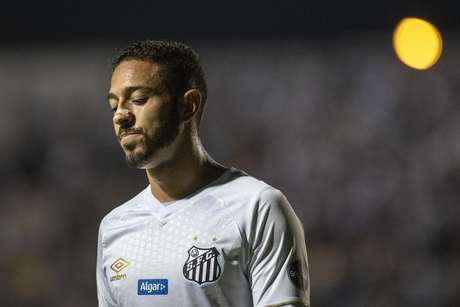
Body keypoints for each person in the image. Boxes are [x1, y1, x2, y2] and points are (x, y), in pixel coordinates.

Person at [97, 40, 310, 307]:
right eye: (114, 106)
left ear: (189, 106)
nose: (120, 116)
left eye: (139, 99)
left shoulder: (256, 208)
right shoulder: (114, 228)